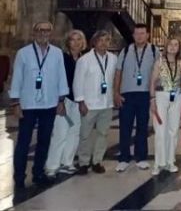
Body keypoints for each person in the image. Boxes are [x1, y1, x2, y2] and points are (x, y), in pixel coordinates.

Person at [10, 21, 69, 188]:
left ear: (51, 33)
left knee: (44, 140)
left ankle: (38, 173)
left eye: (47, 31)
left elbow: (61, 77)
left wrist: (61, 100)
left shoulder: (57, 53)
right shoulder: (24, 53)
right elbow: (17, 78)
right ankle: (19, 176)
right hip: (28, 104)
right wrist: (16, 102)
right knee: (24, 141)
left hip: (49, 103)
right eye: (40, 30)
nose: (44, 33)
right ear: (34, 33)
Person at [114, 24, 157, 172]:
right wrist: (116, 93)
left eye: (142, 33)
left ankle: (141, 157)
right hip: (127, 93)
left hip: (145, 93)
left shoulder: (154, 51)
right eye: (137, 34)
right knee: (125, 126)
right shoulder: (125, 51)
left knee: (142, 127)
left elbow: (159, 72)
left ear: (147, 35)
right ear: (133, 36)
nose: (139, 36)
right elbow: (118, 72)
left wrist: (155, 94)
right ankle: (124, 157)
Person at [74, 30, 118, 175]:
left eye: (107, 40)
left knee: (103, 134)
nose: (104, 43)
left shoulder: (113, 59)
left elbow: (115, 80)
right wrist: (81, 101)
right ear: (94, 42)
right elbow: (78, 82)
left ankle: (97, 161)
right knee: (85, 134)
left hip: (106, 103)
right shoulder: (84, 60)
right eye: (101, 40)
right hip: (89, 103)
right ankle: (83, 162)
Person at [45, 29, 86, 177]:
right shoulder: (61, 58)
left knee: (74, 133)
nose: (76, 43)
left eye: (78, 40)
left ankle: (67, 162)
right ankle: (52, 165)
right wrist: (59, 101)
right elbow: (55, 80)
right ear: (67, 42)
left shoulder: (84, 59)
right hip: (64, 99)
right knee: (60, 133)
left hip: (79, 100)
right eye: (72, 40)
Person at [149, 37, 181, 175]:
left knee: (173, 130)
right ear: (166, 45)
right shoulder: (159, 62)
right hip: (161, 95)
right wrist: (152, 100)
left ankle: (170, 161)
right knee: (160, 130)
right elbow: (152, 81)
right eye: (170, 44)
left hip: (177, 96)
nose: (173, 47)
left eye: (176, 44)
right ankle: (159, 162)